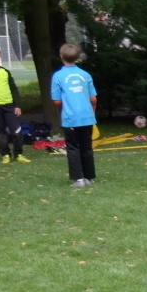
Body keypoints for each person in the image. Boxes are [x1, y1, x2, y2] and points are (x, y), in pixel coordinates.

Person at [50, 43, 98, 188]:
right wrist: (92, 110)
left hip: (70, 118)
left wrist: (64, 107)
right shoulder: (85, 74)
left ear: (61, 56)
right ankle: (89, 177)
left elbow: (57, 100)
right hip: (87, 117)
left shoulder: (58, 76)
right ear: (77, 58)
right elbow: (93, 98)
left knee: (73, 148)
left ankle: (78, 179)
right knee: (87, 147)